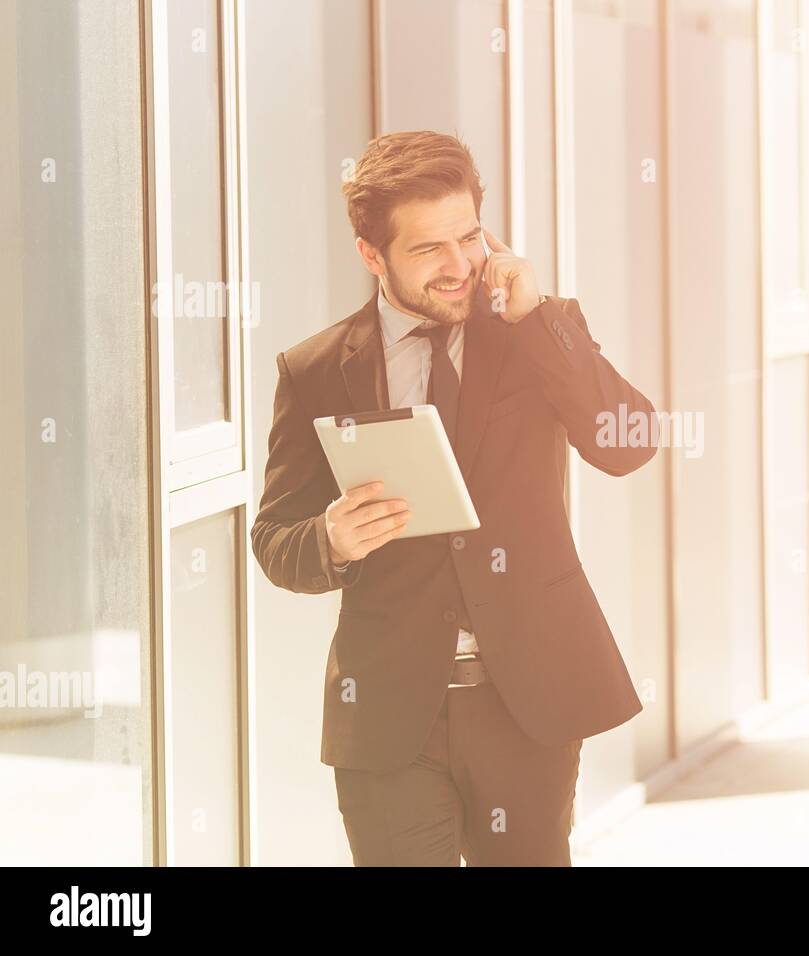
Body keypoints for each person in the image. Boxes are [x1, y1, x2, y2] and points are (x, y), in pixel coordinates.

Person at [250, 130, 657, 866]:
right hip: (387, 716)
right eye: (426, 249)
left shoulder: (532, 333)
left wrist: (537, 319)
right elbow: (276, 537)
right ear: (371, 255)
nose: (457, 266)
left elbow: (626, 443)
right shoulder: (314, 370)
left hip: (525, 702)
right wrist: (332, 540)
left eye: (468, 238)